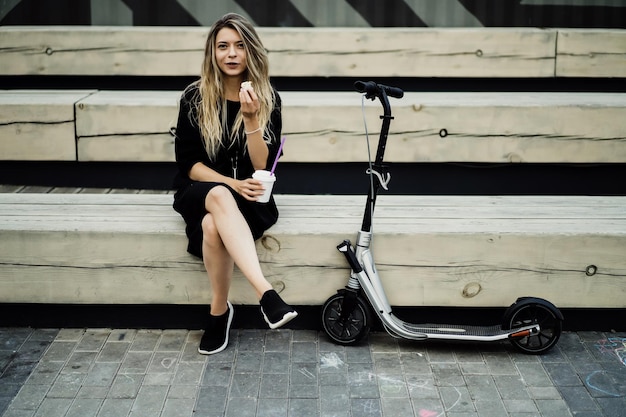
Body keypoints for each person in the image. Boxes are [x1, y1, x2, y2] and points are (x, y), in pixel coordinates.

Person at [172, 13, 297, 355]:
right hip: (201, 190)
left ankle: (219, 311)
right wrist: (231, 183)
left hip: (248, 200)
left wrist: (252, 118)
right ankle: (266, 294)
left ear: (250, 52)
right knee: (217, 196)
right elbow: (189, 165)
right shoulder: (194, 98)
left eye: (240, 46)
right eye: (223, 46)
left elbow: (263, 165)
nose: (231, 54)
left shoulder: (267, 98)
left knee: (213, 226)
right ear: (212, 52)